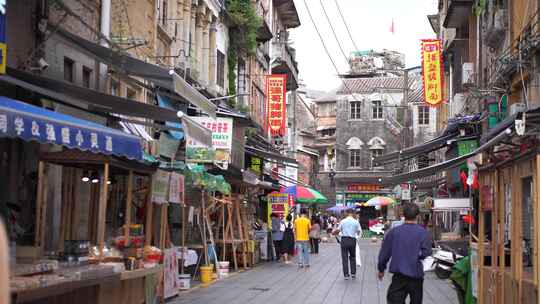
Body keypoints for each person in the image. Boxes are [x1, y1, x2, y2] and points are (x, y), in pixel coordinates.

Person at [377, 203, 432, 304]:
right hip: (416, 276)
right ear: (418, 216)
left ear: (403, 214)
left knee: (394, 300)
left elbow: (384, 253)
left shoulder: (394, 232)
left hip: (399, 277)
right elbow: (427, 252)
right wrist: (416, 255)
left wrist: (381, 269)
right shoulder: (423, 232)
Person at [334, 209, 361, 279]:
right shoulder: (356, 222)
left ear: (347, 213)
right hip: (352, 240)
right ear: (352, 213)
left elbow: (338, 230)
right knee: (352, 256)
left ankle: (346, 274)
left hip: (344, 240)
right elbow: (359, 231)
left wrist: (334, 232)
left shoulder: (343, 221)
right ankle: (353, 273)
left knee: (344, 257)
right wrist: (356, 237)